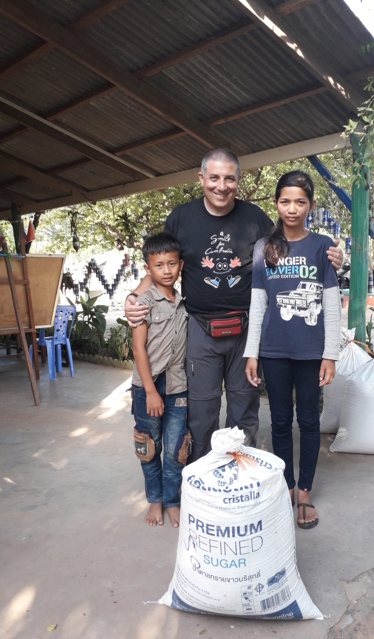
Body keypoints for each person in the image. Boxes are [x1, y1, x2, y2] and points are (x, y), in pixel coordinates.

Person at [125, 148, 343, 462]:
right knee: (201, 409)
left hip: (245, 330)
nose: (221, 186)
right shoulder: (181, 218)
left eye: (229, 179)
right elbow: (160, 267)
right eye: (214, 178)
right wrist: (133, 297)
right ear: (201, 178)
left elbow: (294, 247)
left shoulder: (255, 218)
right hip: (199, 328)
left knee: (244, 409)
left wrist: (331, 255)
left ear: (238, 181)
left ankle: (239, 475)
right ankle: (204, 475)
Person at [244, 171, 341, 530]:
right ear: (276, 203)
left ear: (311, 205)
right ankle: (286, 486)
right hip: (273, 351)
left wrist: (330, 354)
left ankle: (304, 491)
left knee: (309, 421)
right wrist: (252, 353)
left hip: (311, 353)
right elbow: (258, 303)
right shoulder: (264, 248)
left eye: (300, 201)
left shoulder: (322, 246)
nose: (292, 208)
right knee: (280, 420)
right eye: (285, 201)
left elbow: (331, 304)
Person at [131, 232, 188, 528]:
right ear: (148, 269)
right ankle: (155, 500)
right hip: (148, 387)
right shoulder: (143, 303)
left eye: (171, 263)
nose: (166, 270)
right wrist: (151, 391)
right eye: (158, 265)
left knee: (177, 449)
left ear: (180, 265)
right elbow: (138, 349)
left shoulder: (184, 301)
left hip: (178, 386)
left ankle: (172, 501)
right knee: (149, 447)